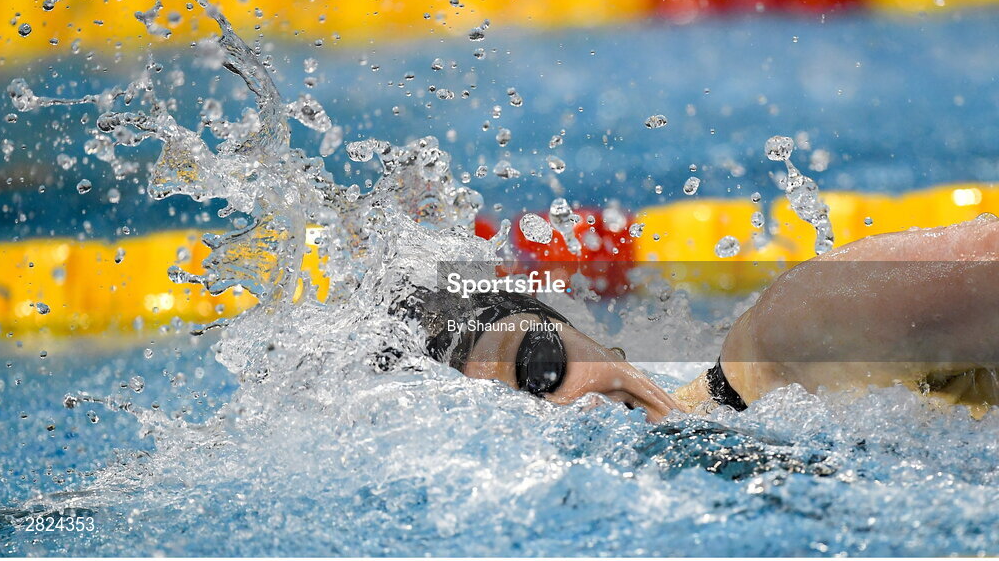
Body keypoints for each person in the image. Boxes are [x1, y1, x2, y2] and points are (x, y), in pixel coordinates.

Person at [415, 216, 999, 422]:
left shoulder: (803, 327)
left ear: (590, 339)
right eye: (517, 425)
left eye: (540, 368)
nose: (572, 411)